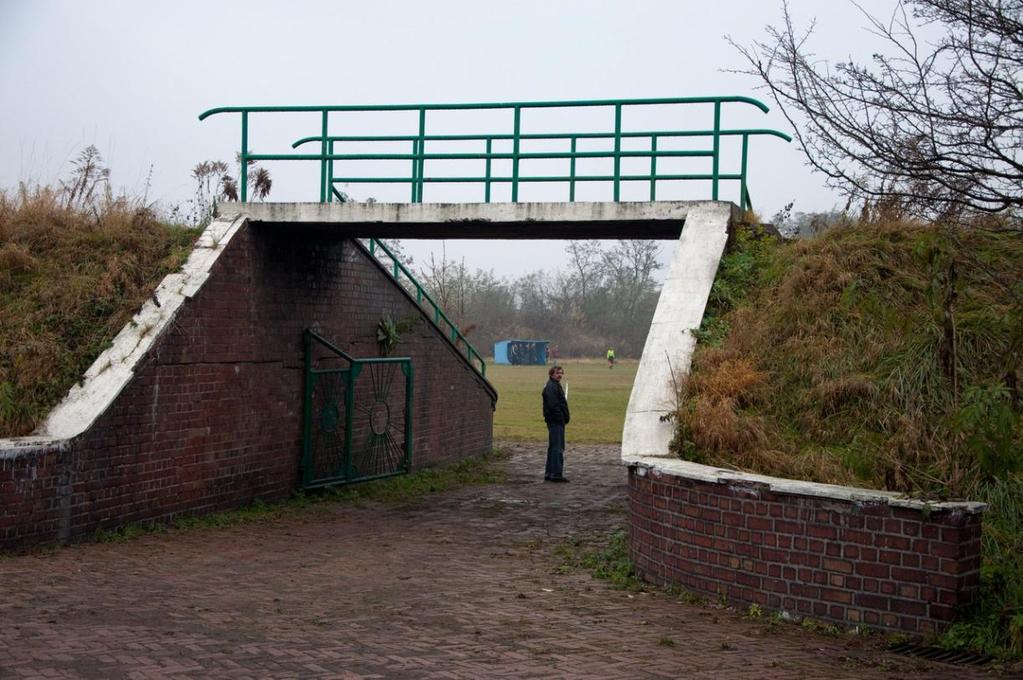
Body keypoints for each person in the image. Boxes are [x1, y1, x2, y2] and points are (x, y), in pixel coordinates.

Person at [542, 365, 570, 482]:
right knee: (557, 448)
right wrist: (561, 417)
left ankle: (549, 473)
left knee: (553, 447)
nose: (560, 375)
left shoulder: (553, 385)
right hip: (555, 421)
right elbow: (554, 406)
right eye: (558, 373)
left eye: (561, 373)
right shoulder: (552, 387)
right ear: (551, 374)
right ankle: (556, 474)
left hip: (554, 420)